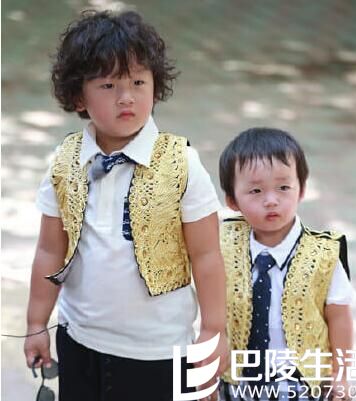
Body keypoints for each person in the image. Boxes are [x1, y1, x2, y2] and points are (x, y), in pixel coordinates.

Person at [23, 9, 227, 401]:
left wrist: (213, 331)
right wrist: (36, 323)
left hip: (158, 353)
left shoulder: (181, 163)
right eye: (108, 85)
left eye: (137, 81)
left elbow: (206, 256)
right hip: (79, 341)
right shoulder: (65, 162)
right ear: (78, 96)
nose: (127, 96)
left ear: (155, 85)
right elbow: (50, 250)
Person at [217, 128, 356, 401]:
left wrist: (340, 375)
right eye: (255, 190)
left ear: (301, 189)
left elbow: (339, 318)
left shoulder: (324, 254)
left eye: (283, 187)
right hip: (237, 382)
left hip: (302, 385)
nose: (271, 200)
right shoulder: (222, 245)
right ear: (232, 201)